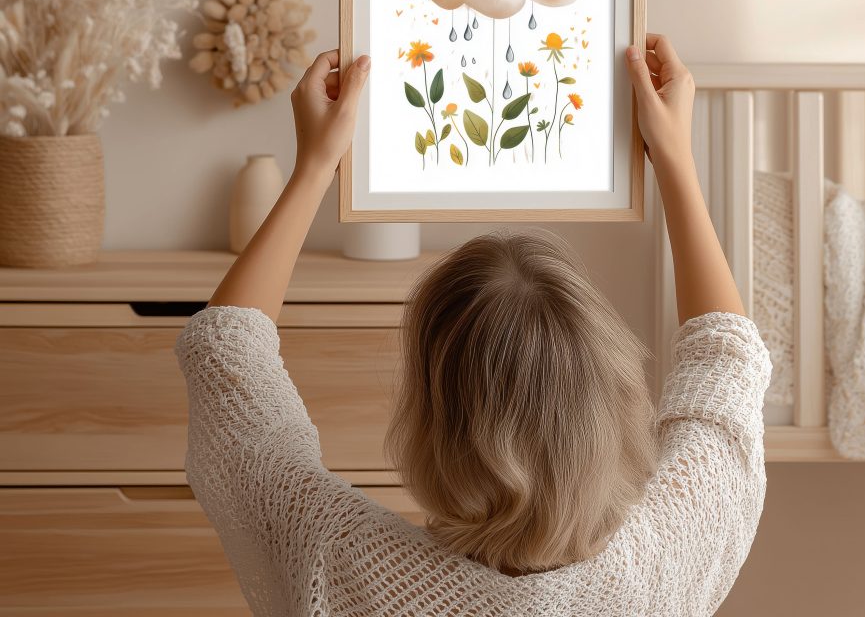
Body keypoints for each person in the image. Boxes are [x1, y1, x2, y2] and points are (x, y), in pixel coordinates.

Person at [175, 34, 773, 616]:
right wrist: (674, 158)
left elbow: (225, 353)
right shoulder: (665, 556)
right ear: (610, 398)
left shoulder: (337, 558)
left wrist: (313, 167)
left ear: (430, 419)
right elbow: (728, 360)